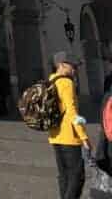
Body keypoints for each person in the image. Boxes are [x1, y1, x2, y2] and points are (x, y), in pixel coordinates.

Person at [49, 51, 91, 199]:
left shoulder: (51, 80)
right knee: (77, 176)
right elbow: (72, 113)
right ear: (60, 65)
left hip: (55, 136)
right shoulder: (66, 83)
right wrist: (84, 137)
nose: (75, 69)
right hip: (69, 137)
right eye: (72, 66)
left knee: (64, 175)